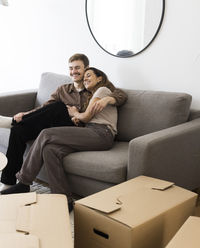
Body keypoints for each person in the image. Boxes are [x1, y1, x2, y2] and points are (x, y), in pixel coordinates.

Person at [0, 53, 127, 192]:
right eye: (71, 68)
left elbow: (120, 95)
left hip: (82, 128)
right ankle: (60, 196)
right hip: (67, 128)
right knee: (21, 131)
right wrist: (25, 115)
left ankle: (24, 182)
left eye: (78, 68)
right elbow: (45, 109)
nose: (74, 71)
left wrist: (107, 100)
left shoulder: (94, 89)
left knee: (58, 109)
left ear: (86, 68)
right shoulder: (63, 89)